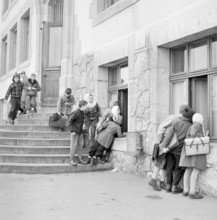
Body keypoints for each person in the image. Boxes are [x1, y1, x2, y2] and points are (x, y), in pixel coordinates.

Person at [164, 104, 195, 193]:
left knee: (169, 167)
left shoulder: (176, 122)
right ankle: (175, 187)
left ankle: (168, 186)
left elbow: (169, 135)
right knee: (179, 168)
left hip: (171, 148)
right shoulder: (190, 126)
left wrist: (164, 146)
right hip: (180, 150)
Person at [148, 115, 181, 191]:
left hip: (161, 147)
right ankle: (153, 179)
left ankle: (162, 182)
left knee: (163, 164)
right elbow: (166, 139)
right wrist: (163, 148)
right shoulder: (169, 128)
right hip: (162, 147)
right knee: (159, 163)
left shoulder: (163, 126)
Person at [179, 113, 206, 199]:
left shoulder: (192, 125)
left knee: (188, 170)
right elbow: (195, 135)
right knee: (195, 170)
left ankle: (186, 190)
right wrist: (203, 137)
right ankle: (192, 192)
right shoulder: (198, 125)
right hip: (196, 150)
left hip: (189, 150)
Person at [67, 100, 88, 166]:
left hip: (80, 132)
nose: (86, 107)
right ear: (82, 106)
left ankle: (80, 158)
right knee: (74, 146)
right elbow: (69, 121)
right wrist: (72, 130)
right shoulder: (76, 112)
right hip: (75, 132)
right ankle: (71, 160)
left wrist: (83, 125)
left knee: (80, 145)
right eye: (86, 106)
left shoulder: (82, 112)